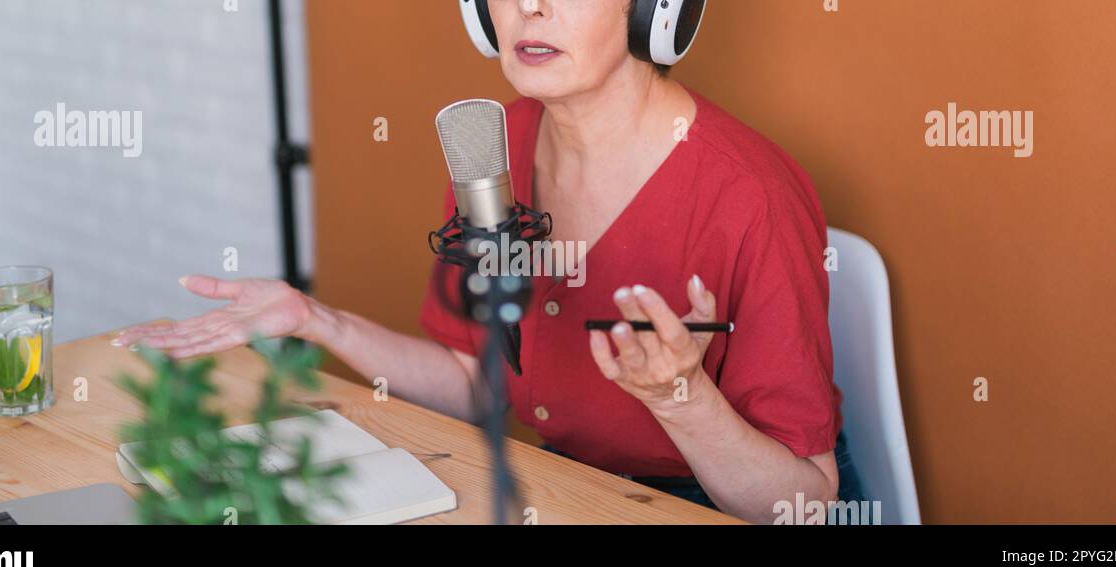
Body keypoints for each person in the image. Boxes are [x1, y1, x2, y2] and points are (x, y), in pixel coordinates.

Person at [116, 0, 862, 523]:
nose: (528, 8)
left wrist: (681, 398)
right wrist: (317, 320)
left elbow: (798, 504)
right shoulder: (491, 145)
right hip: (577, 495)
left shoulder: (750, 197)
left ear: (654, 9)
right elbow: (482, 379)